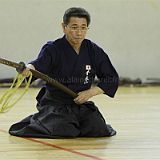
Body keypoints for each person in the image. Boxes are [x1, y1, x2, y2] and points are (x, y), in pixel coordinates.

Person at [9, 7, 119, 138]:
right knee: (65, 130)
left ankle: (66, 121)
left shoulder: (93, 50)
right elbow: (37, 65)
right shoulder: (53, 49)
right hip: (56, 103)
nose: (79, 33)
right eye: (74, 27)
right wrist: (28, 68)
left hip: (79, 102)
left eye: (83, 28)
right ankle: (40, 119)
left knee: (97, 129)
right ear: (64, 27)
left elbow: (111, 77)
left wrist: (90, 93)